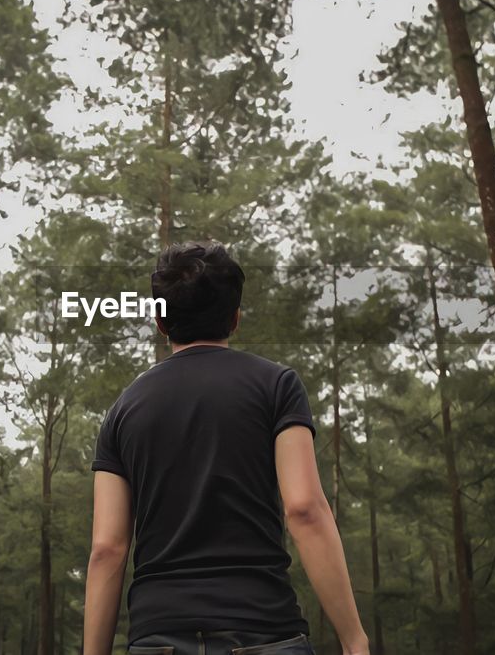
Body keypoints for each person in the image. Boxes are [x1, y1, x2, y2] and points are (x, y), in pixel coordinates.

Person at [82, 241, 370, 655]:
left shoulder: (123, 410)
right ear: (235, 318)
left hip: (157, 636)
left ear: (161, 323)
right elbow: (305, 509)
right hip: (265, 631)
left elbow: (107, 550)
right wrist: (353, 639)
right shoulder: (277, 386)